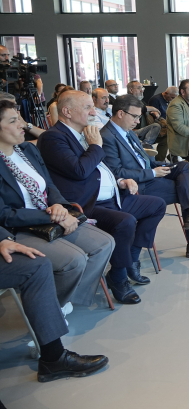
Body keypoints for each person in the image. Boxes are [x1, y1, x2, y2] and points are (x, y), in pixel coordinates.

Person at [36, 90, 167, 305]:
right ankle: (118, 276)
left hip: (112, 196)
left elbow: (100, 169)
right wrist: (96, 145)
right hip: (86, 203)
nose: (93, 111)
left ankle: (131, 258)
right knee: (125, 222)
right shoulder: (54, 137)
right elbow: (79, 170)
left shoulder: (83, 133)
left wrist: (120, 181)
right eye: (87, 107)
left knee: (156, 205)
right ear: (67, 112)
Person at [0, 99, 114, 308]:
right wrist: (54, 216)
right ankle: (51, 308)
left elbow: (49, 185)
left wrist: (60, 206)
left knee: (105, 243)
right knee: (74, 260)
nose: (22, 125)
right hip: (20, 228)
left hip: (51, 215)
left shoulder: (27, 150)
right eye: (13, 121)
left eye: (20, 119)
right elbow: (5, 214)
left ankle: (65, 302)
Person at [101, 95, 189, 258]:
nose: (138, 122)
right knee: (186, 191)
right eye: (135, 117)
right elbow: (116, 174)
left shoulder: (128, 132)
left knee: (184, 166)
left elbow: (144, 160)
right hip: (136, 186)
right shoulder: (107, 137)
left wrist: (158, 166)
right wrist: (153, 173)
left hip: (148, 174)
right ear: (120, 113)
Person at [0, 231, 109, 382]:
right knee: (40, 267)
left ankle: (53, 351)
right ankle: (53, 355)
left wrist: (3, 238)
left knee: (107, 241)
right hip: (22, 228)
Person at [126, 81, 163, 152]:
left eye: (142, 88)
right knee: (156, 126)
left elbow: (146, 110)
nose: (142, 90)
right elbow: (140, 109)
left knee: (165, 134)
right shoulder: (127, 100)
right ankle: (145, 146)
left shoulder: (141, 101)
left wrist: (154, 113)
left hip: (143, 129)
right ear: (131, 90)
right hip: (130, 131)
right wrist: (153, 108)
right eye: (139, 88)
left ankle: (159, 157)